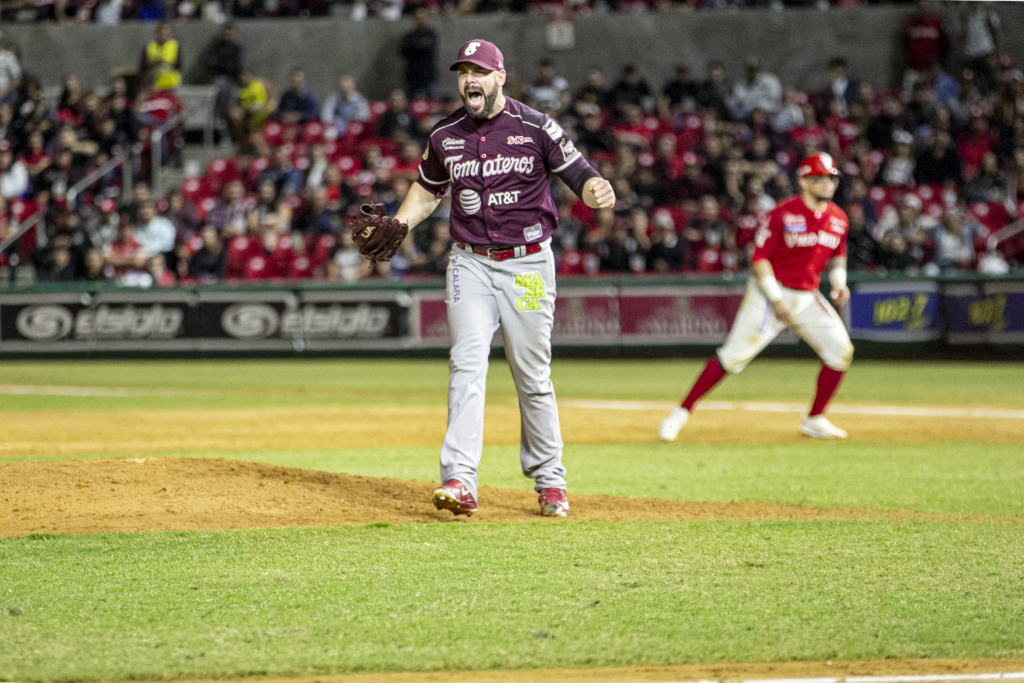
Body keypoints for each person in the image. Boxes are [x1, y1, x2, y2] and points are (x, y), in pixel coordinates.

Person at [388, 39, 615, 518]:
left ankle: (551, 480)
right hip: (469, 262)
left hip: (528, 263)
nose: (470, 79)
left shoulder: (535, 125)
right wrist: (400, 223)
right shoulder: (445, 134)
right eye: (463, 72)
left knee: (532, 375)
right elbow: (427, 191)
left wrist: (597, 192)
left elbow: (582, 178)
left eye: (479, 71)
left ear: (500, 77)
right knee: (466, 364)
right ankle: (459, 479)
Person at [659, 152, 854, 442]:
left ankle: (814, 419)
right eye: (820, 178)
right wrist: (776, 300)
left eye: (831, 177)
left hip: (807, 295)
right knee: (732, 357)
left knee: (841, 351)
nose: (827, 183)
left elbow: (838, 257)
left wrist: (839, 283)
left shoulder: (838, 218)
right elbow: (760, 259)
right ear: (803, 181)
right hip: (769, 292)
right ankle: (680, 413)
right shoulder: (783, 213)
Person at [400, 8, 438, 100]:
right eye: (419, 18)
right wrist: (419, 45)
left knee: (432, 102)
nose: (421, 21)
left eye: (423, 18)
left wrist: (414, 46)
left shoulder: (431, 34)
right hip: (412, 75)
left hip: (428, 75)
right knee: (409, 102)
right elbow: (403, 52)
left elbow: (429, 48)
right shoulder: (408, 35)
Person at [139, 22, 182, 92]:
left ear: (170, 32)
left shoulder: (175, 45)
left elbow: (179, 65)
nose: (163, 32)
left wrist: (168, 64)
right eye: (160, 29)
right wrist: (156, 63)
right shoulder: (149, 46)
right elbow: (142, 67)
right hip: (153, 87)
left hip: (171, 85)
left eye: (165, 29)